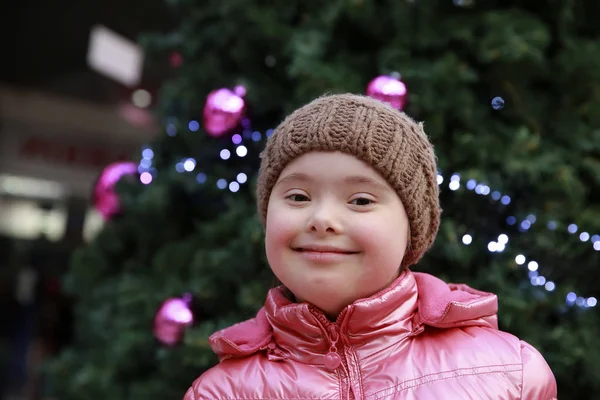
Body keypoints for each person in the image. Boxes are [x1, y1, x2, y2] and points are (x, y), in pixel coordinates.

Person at [184, 94, 557, 399]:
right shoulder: (220, 392)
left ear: (411, 229)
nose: (321, 218)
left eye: (360, 200)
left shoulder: (510, 374)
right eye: (298, 196)